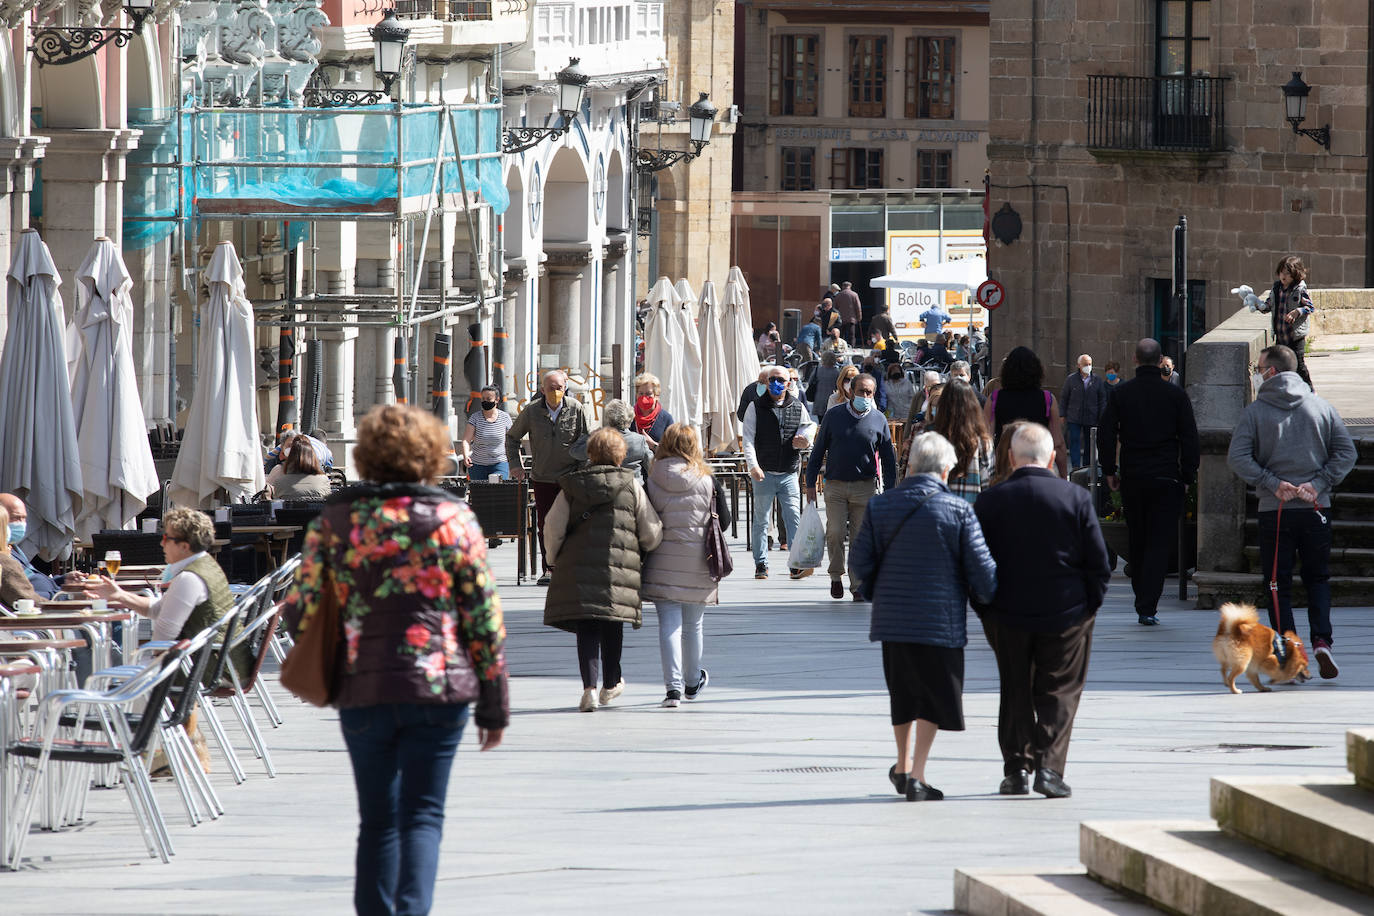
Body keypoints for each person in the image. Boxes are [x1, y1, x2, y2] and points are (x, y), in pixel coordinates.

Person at [281, 404, 508, 916]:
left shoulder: (337, 522)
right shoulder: (454, 520)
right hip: (439, 688)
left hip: (363, 687)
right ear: (430, 455)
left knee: (378, 821)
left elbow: (300, 612)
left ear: (365, 457)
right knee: (423, 816)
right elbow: (483, 619)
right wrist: (494, 703)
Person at [852, 432, 996, 801]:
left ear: (912, 465)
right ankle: (916, 773)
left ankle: (901, 765)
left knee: (902, 693)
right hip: (940, 621)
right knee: (932, 696)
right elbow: (983, 573)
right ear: (946, 469)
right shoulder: (959, 510)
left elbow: (860, 564)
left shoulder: (881, 507)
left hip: (894, 620)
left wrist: (877, 595)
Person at [973, 423, 1111, 799]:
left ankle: (1017, 769)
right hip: (1065, 612)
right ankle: (1049, 769)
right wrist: (1088, 609)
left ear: (1012, 458)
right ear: (1051, 458)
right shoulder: (1075, 498)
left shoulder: (990, 501)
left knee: (1014, 687)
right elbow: (1099, 564)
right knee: (1060, 690)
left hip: (1006, 613)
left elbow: (974, 564)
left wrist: (985, 609)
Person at [1227, 344, 1356, 678]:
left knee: (1276, 583)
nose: (1256, 372)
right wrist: (1320, 482)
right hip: (1316, 507)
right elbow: (1346, 452)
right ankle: (1322, 641)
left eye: (1259, 367)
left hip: (1277, 510)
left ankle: (1290, 649)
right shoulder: (1321, 407)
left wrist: (1271, 482)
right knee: (1318, 578)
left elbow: (1238, 457)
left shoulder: (1255, 413)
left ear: (1271, 372)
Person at [543, 428, 663, 712]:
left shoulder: (571, 486)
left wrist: (552, 558)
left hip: (578, 566)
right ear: (621, 454)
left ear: (590, 453)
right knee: (612, 623)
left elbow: (553, 528)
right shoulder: (630, 484)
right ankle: (611, 683)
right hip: (619, 568)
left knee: (587, 627)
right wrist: (645, 547)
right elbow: (650, 529)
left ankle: (589, 689)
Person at [1098, 338, 1200, 626]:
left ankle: (1142, 596)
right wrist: (1188, 474)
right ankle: (1147, 603)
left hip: (1134, 475)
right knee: (1159, 541)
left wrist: (1109, 470)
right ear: (1159, 362)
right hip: (1167, 475)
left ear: (1134, 360)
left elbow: (1106, 433)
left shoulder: (1122, 394)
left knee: (1138, 537)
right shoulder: (1176, 396)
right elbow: (1190, 437)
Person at [88, 507, 252, 683]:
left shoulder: (188, 579)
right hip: (225, 663)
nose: (161, 543)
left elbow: (162, 640)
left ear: (184, 546)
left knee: (98, 677)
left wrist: (139, 660)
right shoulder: (206, 564)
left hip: (207, 669)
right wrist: (119, 595)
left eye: (166, 538)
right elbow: (158, 609)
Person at [642, 424, 726, 708]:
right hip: (699, 559)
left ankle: (673, 690)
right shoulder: (708, 480)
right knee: (693, 625)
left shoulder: (652, 478)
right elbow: (723, 522)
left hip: (662, 558)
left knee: (669, 625)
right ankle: (692, 682)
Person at [806, 373, 898, 600]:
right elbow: (818, 451)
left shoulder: (879, 419)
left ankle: (857, 585)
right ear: (851, 392)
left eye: (869, 392)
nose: (865, 396)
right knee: (835, 532)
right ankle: (836, 576)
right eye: (861, 391)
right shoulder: (833, 415)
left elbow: (888, 458)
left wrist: (891, 491)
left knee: (860, 538)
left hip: (865, 487)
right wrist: (809, 485)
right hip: (835, 485)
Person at [506, 370, 592, 586]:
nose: (555, 392)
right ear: (542, 389)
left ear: (565, 388)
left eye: (559, 388)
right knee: (546, 525)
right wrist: (515, 466)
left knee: (571, 523)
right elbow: (512, 438)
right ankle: (549, 568)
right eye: (551, 388)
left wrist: (582, 470)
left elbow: (586, 441)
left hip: (570, 477)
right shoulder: (532, 411)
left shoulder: (576, 408)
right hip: (543, 478)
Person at [742, 364, 817, 580]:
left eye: (781, 380)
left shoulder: (797, 406)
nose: (776, 383)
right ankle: (761, 563)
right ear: (766, 382)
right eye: (772, 379)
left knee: (793, 517)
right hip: (764, 472)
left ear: (789, 383)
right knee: (761, 520)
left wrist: (805, 440)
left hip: (788, 471)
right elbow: (747, 439)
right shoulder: (755, 407)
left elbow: (808, 427)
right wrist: (752, 466)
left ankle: (796, 563)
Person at [984, 346, 1069, 478]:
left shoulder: (994, 399)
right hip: (1039, 465)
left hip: (1006, 466)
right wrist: (1064, 477)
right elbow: (1058, 443)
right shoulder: (1047, 399)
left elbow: (986, 440)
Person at [932, 379, 994, 504]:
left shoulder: (931, 437)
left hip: (936, 510)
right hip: (971, 512)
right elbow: (988, 483)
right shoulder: (982, 442)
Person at [1259, 255, 1316, 388]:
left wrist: (1297, 312)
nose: (1283, 277)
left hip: (1294, 336)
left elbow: (1310, 307)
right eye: (1281, 273)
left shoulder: (1299, 289)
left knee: (1299, 365)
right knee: (1282, 366)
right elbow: (1268, 306)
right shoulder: (1276, 288)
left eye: (1287, 274)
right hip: (1281, 336)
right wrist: (1258, 305)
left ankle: (1310, 390)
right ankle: (1288, 389)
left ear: (1295, 274)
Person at [570, 399, 653, 483]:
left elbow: (575, 452)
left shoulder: (601, 440)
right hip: (634, 487)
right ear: (631, 417)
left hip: (606, 487)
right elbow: (652, 467)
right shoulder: (639, 440)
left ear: (608, 418)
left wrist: (591, 435)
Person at [0, 493, 59, 599]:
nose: (22, 524)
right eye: (16, 518)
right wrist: (64, 595)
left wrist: (64, 580)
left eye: (24, 518)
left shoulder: (12, 548)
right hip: (40, 608)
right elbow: (24, 598)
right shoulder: (4, 560)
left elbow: (32, 577)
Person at [1059, 354, 1109, 469]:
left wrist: (1102, 416)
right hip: (1074, 416)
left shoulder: (1097, 380)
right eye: (1085, 364)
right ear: (1079, 365)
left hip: (1091, 417)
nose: (1088, 366)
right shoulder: (1071, 379)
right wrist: (1062, 414)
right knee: (1074, 440)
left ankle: (1087, 466)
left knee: (1089, 443)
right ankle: (1076, 466)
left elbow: (1102, 399)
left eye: (1090, 364)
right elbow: (1064, 397)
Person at [268, 441, 333, 499]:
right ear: (313, 458)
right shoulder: (323, 480)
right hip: (317, 512)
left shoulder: (280, 482)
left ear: (290, 458)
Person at [634, 373, 675, 448]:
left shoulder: (666, 419)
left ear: (656, 396)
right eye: (641, 393)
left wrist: (653, 445)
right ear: (636, 395)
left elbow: (673, 451)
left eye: (648, 394)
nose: (644, 398)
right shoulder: (629, 415)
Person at [808, 350, 841, 419]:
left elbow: (810, 381)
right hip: (832, 398)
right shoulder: (837, 372)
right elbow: (839, 386)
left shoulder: (818, 370)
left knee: (821, 421)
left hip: (819, 398)